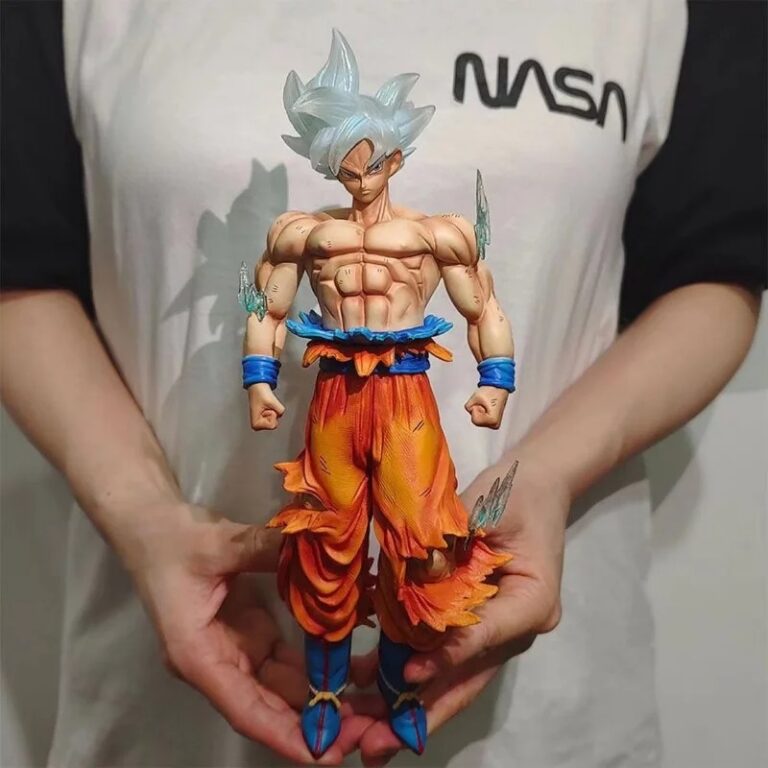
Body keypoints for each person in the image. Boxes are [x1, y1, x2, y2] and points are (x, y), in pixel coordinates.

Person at [1, 2, 765, 767]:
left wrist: (503, 394)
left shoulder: (435, 236)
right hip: (325, 411)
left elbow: (684, 271)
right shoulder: (304, 234)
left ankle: (401, 686)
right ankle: (327, 690)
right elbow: (252, 308)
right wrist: (253, 389)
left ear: (394, 159)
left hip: (412, 405)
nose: (353, 174)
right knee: (323, 549)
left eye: (364, 159)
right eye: (339, 160)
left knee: (422, 547)